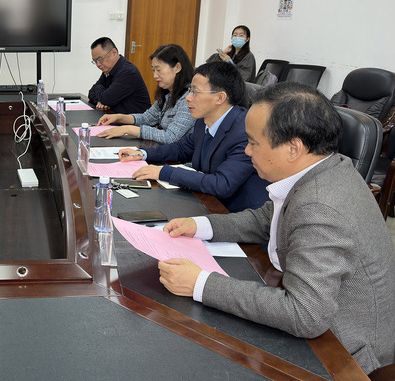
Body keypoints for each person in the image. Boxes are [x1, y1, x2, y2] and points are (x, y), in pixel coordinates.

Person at [157, 82, 395, 375]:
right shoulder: (326, 167)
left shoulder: (320, 205)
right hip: (319, 316)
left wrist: (201, 284)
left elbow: (305, 313)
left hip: (343, 353)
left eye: (253, 143)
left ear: (293, 148)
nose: (247, 151)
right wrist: (200, 225)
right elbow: (266, 220)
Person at [119, 61, 268, 212]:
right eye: (190, 90)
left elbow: (222, 184)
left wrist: (164, 172)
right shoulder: (203, 121)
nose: (188, 98)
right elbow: (182, 148)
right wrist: (142, 153)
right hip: (206, 201)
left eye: (195, 91)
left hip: (235, 213)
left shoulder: (244, 131)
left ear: (220, 98)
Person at [96, 44, 195, 144]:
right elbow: (146, 118)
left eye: (159, 70)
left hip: (177, 153)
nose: (155, 75)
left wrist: (127, 129)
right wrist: (119, 117)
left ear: (177, 67)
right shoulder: (167, 94)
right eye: (153, 70)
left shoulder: (188, 98)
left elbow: (170, 137)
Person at [87, 37, 151, 114]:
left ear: (114, 53)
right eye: (95, 61)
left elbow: (106, 99)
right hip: (116, 116)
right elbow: (91, 93)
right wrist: (99, 101)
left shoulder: (128, 72)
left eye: (100, 59)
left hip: (136, 120)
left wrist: (99, 90)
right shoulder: (108, 69)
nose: (98, 64)